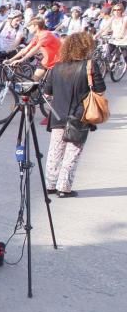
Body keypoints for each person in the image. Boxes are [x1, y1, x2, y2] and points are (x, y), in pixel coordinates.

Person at [41, 32, 106, 198]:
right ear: (86, 47)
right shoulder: (89, 66)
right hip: (79, 115)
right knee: (72, 152)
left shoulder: (57, 66)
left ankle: (50, 185)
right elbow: (100, 89)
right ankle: (64, 187)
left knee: (55, 151)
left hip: (57, 115)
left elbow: (47, 92)